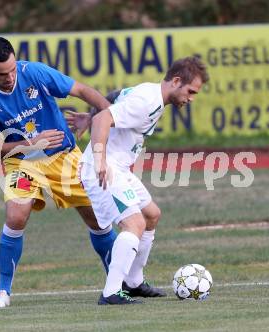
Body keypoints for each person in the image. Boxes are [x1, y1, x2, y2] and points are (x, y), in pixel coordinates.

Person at [0, 37, 117, 308]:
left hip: (64, 157)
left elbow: (82, 90)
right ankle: (3, 291)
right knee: (16, 215)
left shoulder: (34, 72)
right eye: (2, 74)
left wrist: (109, 117)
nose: (10, 77)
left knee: (98, 219)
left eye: (13, 69)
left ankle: (118, 284)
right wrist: (32, 144)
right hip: (22, 163)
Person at [77, 56, 209, 304]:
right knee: (134, 223)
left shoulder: (151, 94)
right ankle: (111, 293)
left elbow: (115, 98)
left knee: (151, 215)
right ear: (176, 81)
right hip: (104, 168)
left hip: (119, 168)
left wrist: (90, 115)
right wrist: (99, 158)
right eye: (190, 91)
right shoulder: (147, 102)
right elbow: (104, 120)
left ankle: (134, 282)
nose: (191, 98)